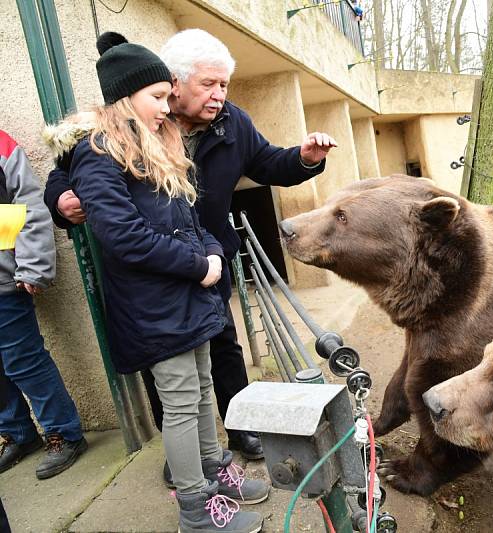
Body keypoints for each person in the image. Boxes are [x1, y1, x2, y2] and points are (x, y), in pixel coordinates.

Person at [44, 28, 337, 467]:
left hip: (208, 255)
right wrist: (61, 199)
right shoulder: (126, 131)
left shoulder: (232, 122)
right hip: (152, 275)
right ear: (174, 84)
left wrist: (305, 158)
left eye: (224, 84)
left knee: (221, 346)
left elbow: (268, 162)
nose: (219, 94)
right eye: (209, 84)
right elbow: (67, 172)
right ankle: (181, 458)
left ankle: (240, 429)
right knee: (166, 370)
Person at [47, 32, 268, 532]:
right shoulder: (97, 152)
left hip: (189, 298)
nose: (168, 108)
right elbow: (122, 235)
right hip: (154, 305)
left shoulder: (156, 146)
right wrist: (197, 266)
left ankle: (216, 475)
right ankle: (195, 507)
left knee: (204, 390)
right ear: (126, 97)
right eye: (158, 98)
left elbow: (189, 218)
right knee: (180, 403)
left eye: (169, 97)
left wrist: (210, 251)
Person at [0, 129, 87, 480]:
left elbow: (26, 205)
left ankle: (64, 432)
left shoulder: (1, 146)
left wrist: (32, 265)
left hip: (4, 280)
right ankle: (19, 433)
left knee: (23, 359)